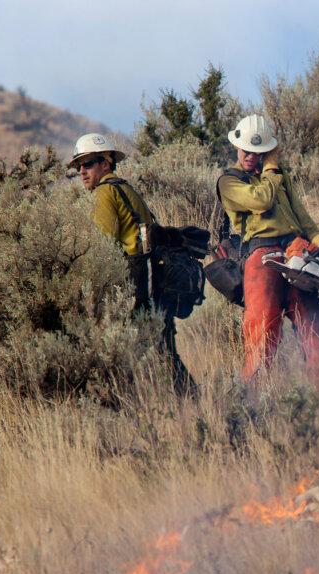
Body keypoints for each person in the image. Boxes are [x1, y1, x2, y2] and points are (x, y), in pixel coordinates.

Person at [69, 133, 195, 394]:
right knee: (163, 346)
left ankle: (125, 402)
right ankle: (189, 398)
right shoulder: (124, 188)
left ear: (106, 163)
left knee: (123, 349)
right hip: (152, 275)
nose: (82, 171)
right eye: (79, 166)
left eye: (88, 163)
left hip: (133, 278)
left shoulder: (105, 192)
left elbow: (104, 243)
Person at [217, 114, 319, 383]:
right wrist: (271, 169)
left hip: (297, 250)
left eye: (257, 152)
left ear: (266, 151)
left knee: (316, 335)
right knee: (261, 336)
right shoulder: (229, 181)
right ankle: (256, 400)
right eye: (246, 150)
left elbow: (302, 216)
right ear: (237, 146)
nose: (250, 156)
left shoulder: (280, 177)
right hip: (261, 256)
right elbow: (261, 200)